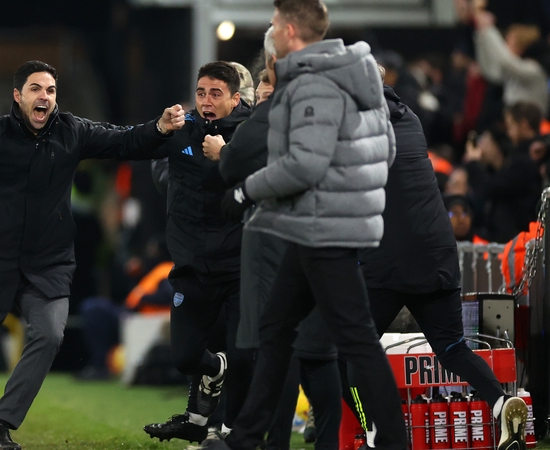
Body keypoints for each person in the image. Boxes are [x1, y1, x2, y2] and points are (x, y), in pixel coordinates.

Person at [0, 60, 184, 450]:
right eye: (37, 89)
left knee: (49, 335)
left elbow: (122, 141)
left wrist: (158, 128)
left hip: (48, 263)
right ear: (18, 96)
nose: (45, 97)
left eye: (51, 90)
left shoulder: (73, 131)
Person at [211, 1, 407, 449]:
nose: (273, 30)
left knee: (356, 341)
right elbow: (386, 150)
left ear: (292, 31)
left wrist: (245, 192)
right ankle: (244, 438)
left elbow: (304, 164)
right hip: (317, 223)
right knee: (277, 331)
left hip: (325, 227)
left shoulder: (313, 82)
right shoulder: (354, 72)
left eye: (277, 23)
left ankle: (397, 442)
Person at [347, 74, 528, 450]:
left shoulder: (355, 127)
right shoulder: (409, 117)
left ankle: (376, 432)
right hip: (437, 252)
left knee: (348, 350)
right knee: (451, 347)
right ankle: (500, 403)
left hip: (389, 260)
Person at [142, 61, 254, 444]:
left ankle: (230, 434)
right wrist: (159, 130)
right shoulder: (181, 128)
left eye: (216, 94)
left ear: (235, 99)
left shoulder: (251, 135)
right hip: (192, 264)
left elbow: (271, 179)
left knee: (245, 356)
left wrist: (227, 157)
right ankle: (212, 377)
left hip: (240, 265)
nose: (206, 101)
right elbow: (142, 150)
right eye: (201, 93)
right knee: (186, 358)